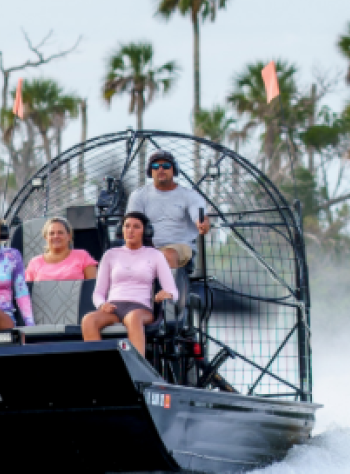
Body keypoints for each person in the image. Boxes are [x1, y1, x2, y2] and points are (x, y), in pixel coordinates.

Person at [82, 212, 176, 355]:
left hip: (140, 308)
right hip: (114, 307)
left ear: (145, 231)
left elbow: (173, 291)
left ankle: (137, 367)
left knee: (133, 318)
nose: (130, 230)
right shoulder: (110, 255)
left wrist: (167, 294)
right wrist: (102, 305)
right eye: (127, 226)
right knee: (88, 320)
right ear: (121, 230)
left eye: (136, 227)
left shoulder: (155, 255)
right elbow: (98, 293)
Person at [125, 149, 211, 268]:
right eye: (155, 166)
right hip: (148, 248)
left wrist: (203, 224)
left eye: (166, 166)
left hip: (180, 248)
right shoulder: (138, 195)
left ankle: (169, 280)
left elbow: (200, 217)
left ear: (174, 169)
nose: (160, 169)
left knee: (167, 255)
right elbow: (132, 224)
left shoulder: (189, 195)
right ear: (150, 171)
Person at [26, 217, 98, 281]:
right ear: (46, 238)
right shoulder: (34, 263)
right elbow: (26, 289)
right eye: (51, 233)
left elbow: (93, 286)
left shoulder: (82, 256)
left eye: (60, 232)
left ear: (69, 236)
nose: (56, 236)